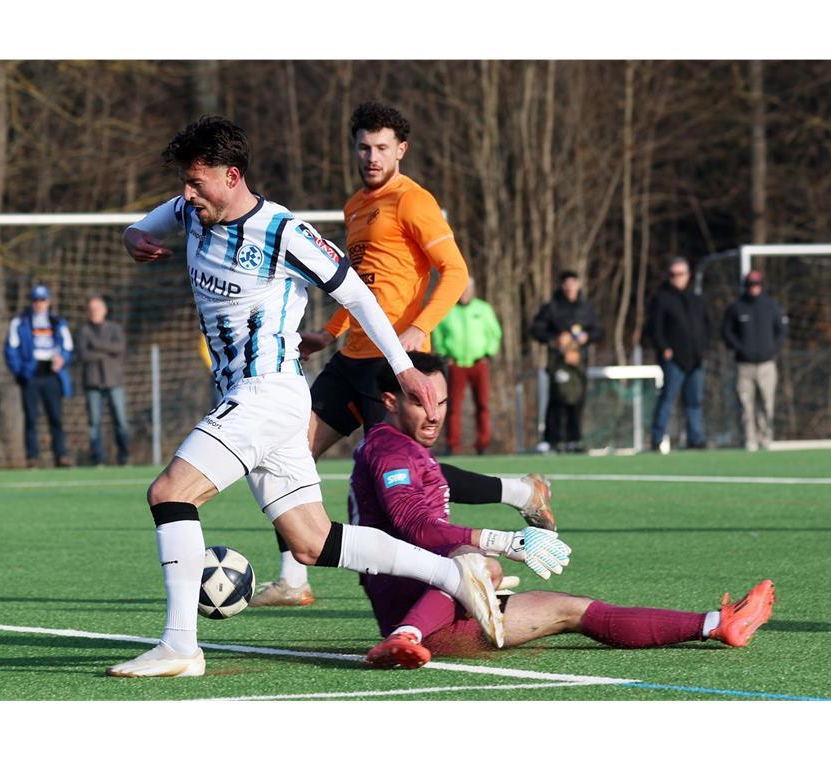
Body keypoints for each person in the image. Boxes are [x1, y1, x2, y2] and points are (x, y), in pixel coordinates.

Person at [105, 115, 506, 678]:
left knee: (171, 492)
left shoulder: (281, 232)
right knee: (312, 541)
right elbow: (142, 225)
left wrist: (405, 369)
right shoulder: (187, 211)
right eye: (184, 183)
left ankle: (180, 646)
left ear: (232, 175)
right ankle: (451, 575)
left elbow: (361, 297)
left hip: (267, 392)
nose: (186, 194)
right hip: (257, 398)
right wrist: (134, 237)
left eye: (197, 183)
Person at [253, 101, 553, 607]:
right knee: (291, 453)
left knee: (403, 475)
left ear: (401, 150)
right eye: (364, 147)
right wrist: (328, 331)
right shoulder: (354, 206)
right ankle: (293, 581)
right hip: (351, 357)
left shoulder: (413, 200)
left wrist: (417, 329)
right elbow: (358, 288)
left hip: (395, 362)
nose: (372, 157)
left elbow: (453, 272)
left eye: (382, 148)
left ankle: (520, 494)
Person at [354, 352, 775, 669]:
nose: (434, 415)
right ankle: (404, 636)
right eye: (420, 402)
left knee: (573, 608)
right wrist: (504, 542)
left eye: (442, 403)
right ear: (390, 401)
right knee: (480, 563)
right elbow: (416, 526)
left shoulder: (408, 449)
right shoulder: (390, 450)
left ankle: (717, 623)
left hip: (448, 607)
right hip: (412, 603)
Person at [530, 270, 603, 453]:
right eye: (567, 284)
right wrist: (556, 338)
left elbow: (598, 331)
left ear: (578, 285)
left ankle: (574, 439)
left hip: (578, 362)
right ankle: (552, 440)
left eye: (573, 283)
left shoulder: (585, 308)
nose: (570, 287)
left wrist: (587, 337)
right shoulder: (552, 307)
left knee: (577, 397)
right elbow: (537, 330)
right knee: (558, 397)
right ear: (562, 286)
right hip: (558, 360)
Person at [4, 284, 74, 468]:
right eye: (36, 300)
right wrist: (20, 372)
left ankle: (61, 455)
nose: (39, 303)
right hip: (31, 375)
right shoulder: (20, 322)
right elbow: (11, 350)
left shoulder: (57, 322)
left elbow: (67, 347)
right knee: (31, 418)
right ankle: (32, 457)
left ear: (48, 301)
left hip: (51, 375)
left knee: (56, 417)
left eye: (42, 300)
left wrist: (62, 360)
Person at [647, 258, 714, 451]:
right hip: (673, 360)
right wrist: (664, 348)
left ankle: (695, 438)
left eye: (681, 274)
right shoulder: (661, 299)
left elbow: (708, 325)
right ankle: (657, 439)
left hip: (696, 358)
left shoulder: (696, 298)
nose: (677, 278)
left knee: (694, 401)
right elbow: (655, 328)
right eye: (673, 274)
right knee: (667, 399)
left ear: (688, 276)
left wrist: (704, 348)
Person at [430, 277, 503, 455]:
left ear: (472, 290)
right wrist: (445, 355)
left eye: (467, 289)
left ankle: (483, 443)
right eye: (461, 290)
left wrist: (488, 353)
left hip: (479, 363)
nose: (464, 293)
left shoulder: (483, 309)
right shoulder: (448, 310)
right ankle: (452, 445)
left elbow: (495, 333)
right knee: (453, 406)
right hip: (456, 364)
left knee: (483, 404)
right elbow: (438, 335)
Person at [721, 270, 788, 451]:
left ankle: (765, 437)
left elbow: (781, 331)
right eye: (751, 284)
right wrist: (739, 348)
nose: (754, 288)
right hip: (744, 365)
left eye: (757, 284)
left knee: (767, 403)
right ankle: (749, 439)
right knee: (746, 405)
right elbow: (726, 332)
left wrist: (772, 348)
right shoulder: (736, 307)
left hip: (767, 364)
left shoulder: (771, 306)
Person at [77, 295, 130, 466]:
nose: (94, 313)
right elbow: (83, 355)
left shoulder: (114, 328)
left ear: (104, 310)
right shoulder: (83, 330)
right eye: (91, 310)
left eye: (97, 309)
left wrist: (97, 345)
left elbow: (120, 348)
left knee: (120, 420)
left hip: (114, 381)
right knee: (94, 423)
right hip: (92, 382)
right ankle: (98, 459)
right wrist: (106, 351)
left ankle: (124, 457)